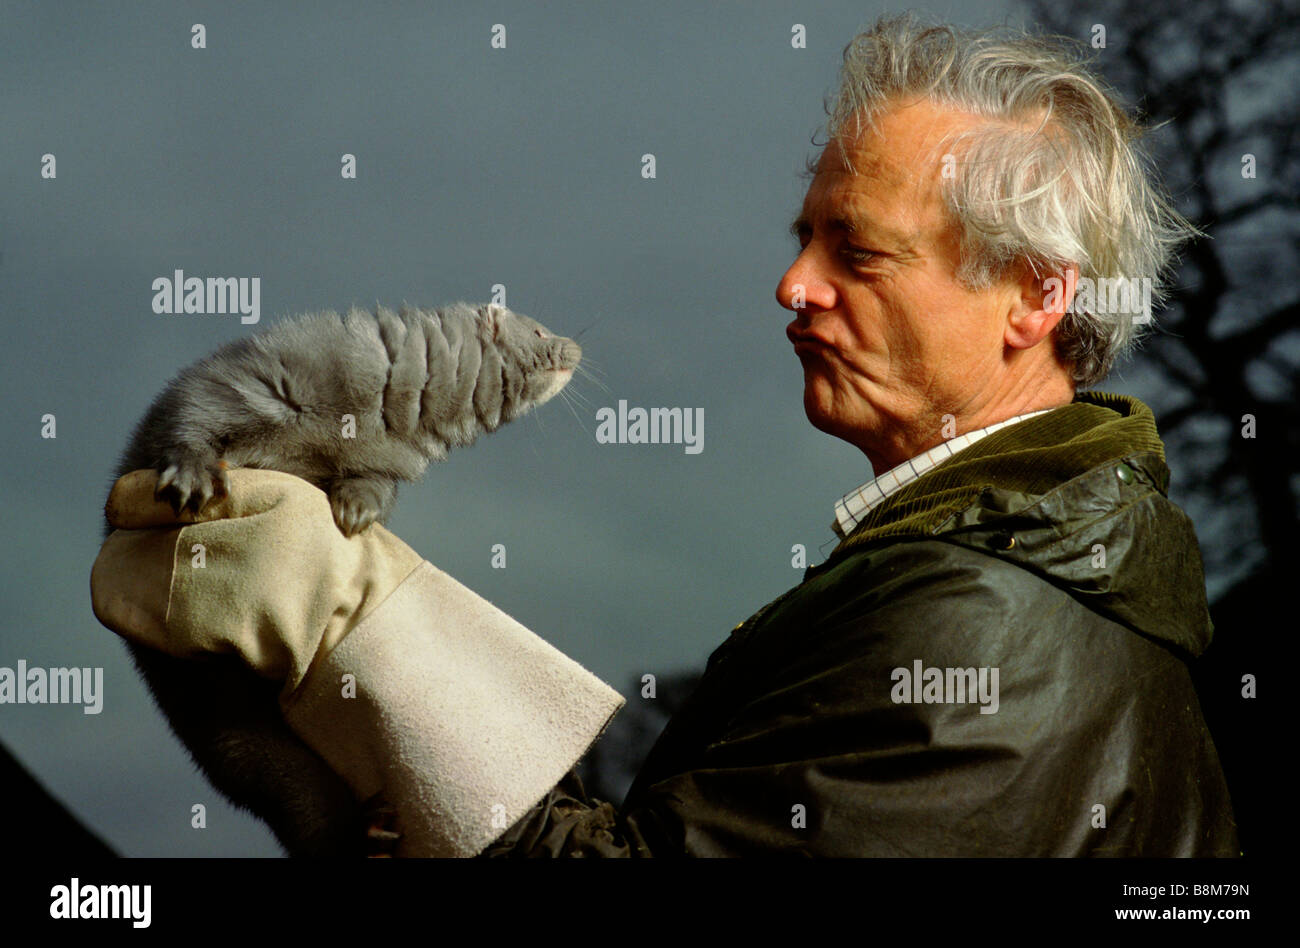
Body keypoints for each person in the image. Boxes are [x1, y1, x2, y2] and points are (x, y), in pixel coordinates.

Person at [91, 15, 1237, 857]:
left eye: (859, 250)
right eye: (804, 239)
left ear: (1032, 297)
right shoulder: (1009, 577)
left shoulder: (987, 633)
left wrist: (350, 622)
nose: (793, 284)